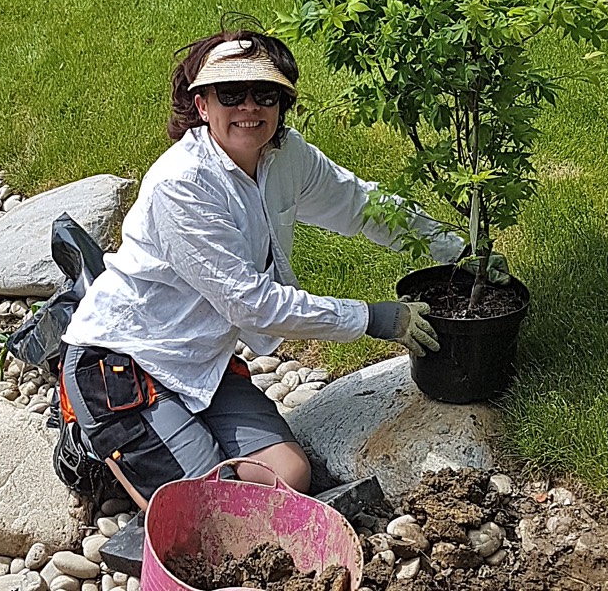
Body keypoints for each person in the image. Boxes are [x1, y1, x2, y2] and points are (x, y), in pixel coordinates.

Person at [58, 29, 465, 510]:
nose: (249, 107)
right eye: (230, 94)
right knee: (215, 513)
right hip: (124, 364)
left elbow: (360, 205)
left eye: (264, 94)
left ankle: (160, 455)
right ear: (202, 104)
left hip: (202, 361)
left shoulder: (285, 158)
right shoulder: (181, 185)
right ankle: (88, 441)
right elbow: (252, 304)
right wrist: (374, 318)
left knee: (292, 475)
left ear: (281, 103)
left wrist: (457, 248)